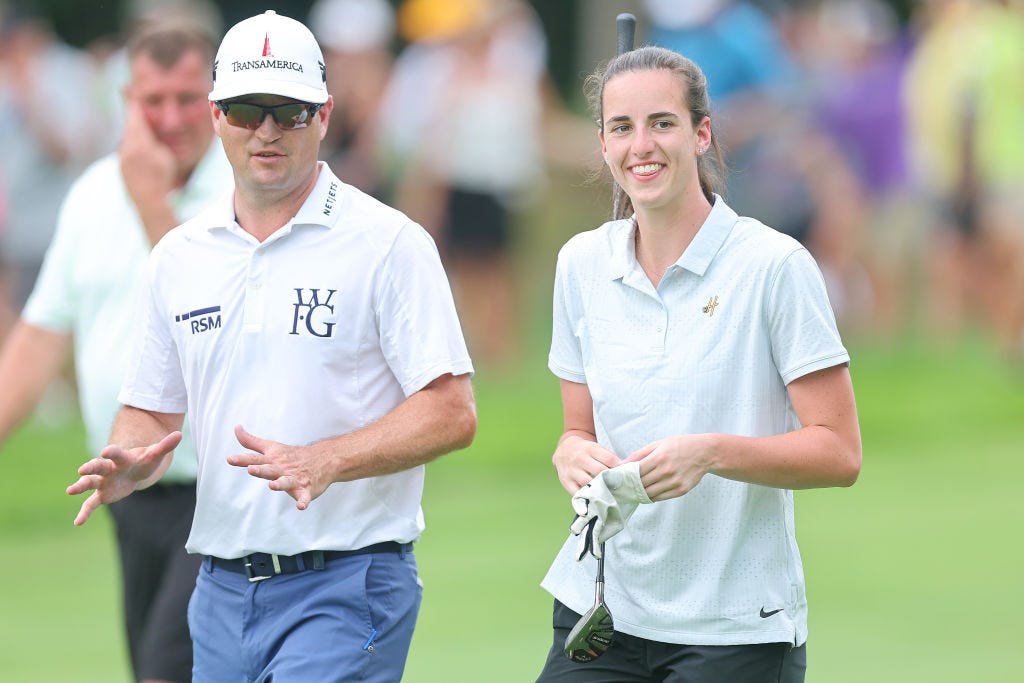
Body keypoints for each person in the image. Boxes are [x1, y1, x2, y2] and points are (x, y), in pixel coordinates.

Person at [66, 10, 477, 683]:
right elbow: (149, 410)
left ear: (324, 115)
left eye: (288, 111)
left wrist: (328, 459)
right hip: (220, 590)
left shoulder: (389, 244)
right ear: (216, 115)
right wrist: (131, 461)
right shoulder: (178, 256)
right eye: (247, 109)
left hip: (348, 579)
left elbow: (452, 409)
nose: (266, 130)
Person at [534, 46, 862, 682]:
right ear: (601, 143)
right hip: (602, 605)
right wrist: (569, 453)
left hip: (735, 626)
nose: (641, 146)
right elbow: (578, 429)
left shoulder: (774, 266)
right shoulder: (580, 263)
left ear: (701, 133)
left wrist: (710, 453)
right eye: (621, 127)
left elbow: (839, 452)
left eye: (662, 123)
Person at [0, 21, 229, 683]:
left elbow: (208, 315)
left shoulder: (244, 190)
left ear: (216, 99)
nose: (169, 117)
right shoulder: (93, 194)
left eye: (187, 98)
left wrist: (151, 202)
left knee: (167, 669)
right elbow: (40, 338)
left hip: (218, 487)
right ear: (125, 99)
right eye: (150, 100)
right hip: (129, 490)